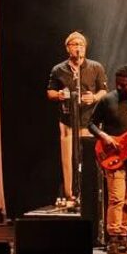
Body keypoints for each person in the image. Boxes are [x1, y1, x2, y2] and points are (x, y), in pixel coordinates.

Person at [87, 66, 127, 254]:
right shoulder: (107, 100)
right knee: (116, 198)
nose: (119, 87)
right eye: (117, 84)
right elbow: (90, 124)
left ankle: (124, 237)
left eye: (123, 85)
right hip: (113, 157)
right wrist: (104, 137)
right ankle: (113, 238)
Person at [45, 31, 108, 209]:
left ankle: (89, 193)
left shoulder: (95, 67)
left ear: (85, 48)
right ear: (68, 48)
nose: (78, 47)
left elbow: (104, 90)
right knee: (68, 158)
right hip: (67, 120)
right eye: (74, 44)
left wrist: (94, 98)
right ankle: (70, 194)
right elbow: (49, 92)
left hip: (89, 119)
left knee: (88, 156)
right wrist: (59, 94)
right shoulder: (59, 69)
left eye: (81, 44)